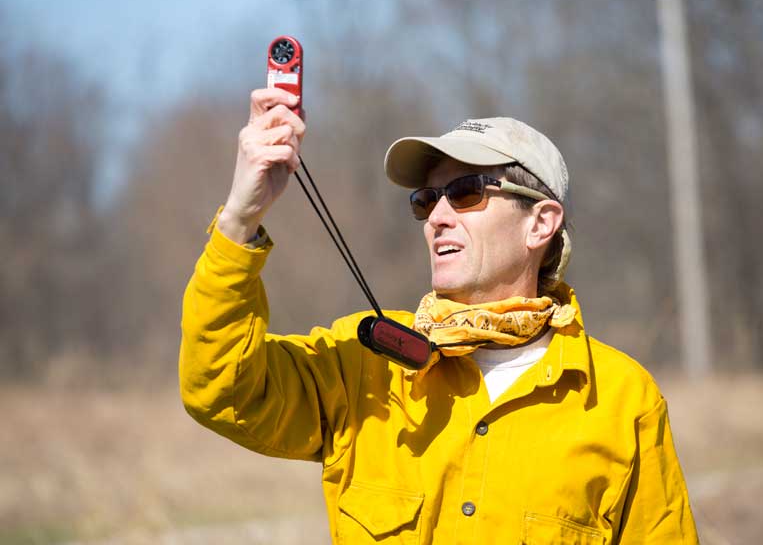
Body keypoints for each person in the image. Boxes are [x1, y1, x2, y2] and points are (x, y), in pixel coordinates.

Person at [180, 87, 699, 544]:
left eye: (465, 192)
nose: (437, 217)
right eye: (426, 199)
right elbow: (221, 390)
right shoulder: (361, 363)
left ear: (540, 223)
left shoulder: (623, 401)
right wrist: (240, 218)